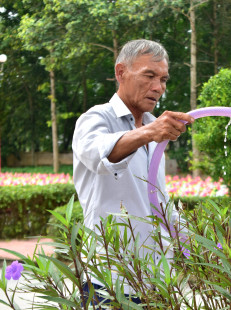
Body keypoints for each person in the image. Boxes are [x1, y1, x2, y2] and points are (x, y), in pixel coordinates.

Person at [72, 39, 195, 305]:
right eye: (149, 75)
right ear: (121, 72)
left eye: (163, 79)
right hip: (109, 282)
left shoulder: (154, 129)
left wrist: (198, 245)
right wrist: (149, 133)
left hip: (158, 281)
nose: (158, 87)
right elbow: (100, 155)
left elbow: (156, 200)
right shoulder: (96, 119)